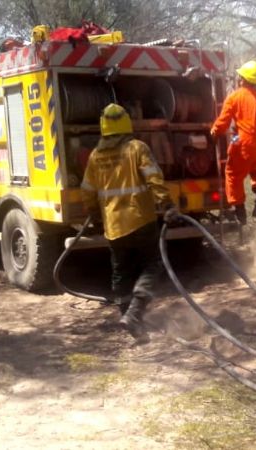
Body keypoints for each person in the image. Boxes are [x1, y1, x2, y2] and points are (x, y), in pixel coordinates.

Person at [81, 104, 173, 344]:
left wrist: (93, 211)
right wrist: (167, 203)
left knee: (121, 273)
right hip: (141, 219)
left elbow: (87, 190)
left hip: (113, 226)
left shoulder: (95, 156)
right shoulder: (136, 148)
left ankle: (129, 319)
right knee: (152, 266)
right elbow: (154, 176)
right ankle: (134, 315)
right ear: (126, 124)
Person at [211, 60, 256, 224]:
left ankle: (240, 211)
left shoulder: (235, 97)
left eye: (240, 77)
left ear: (243, 79)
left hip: (246, 144)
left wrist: (213, 133)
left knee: (232, 173)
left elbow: (222, 123)